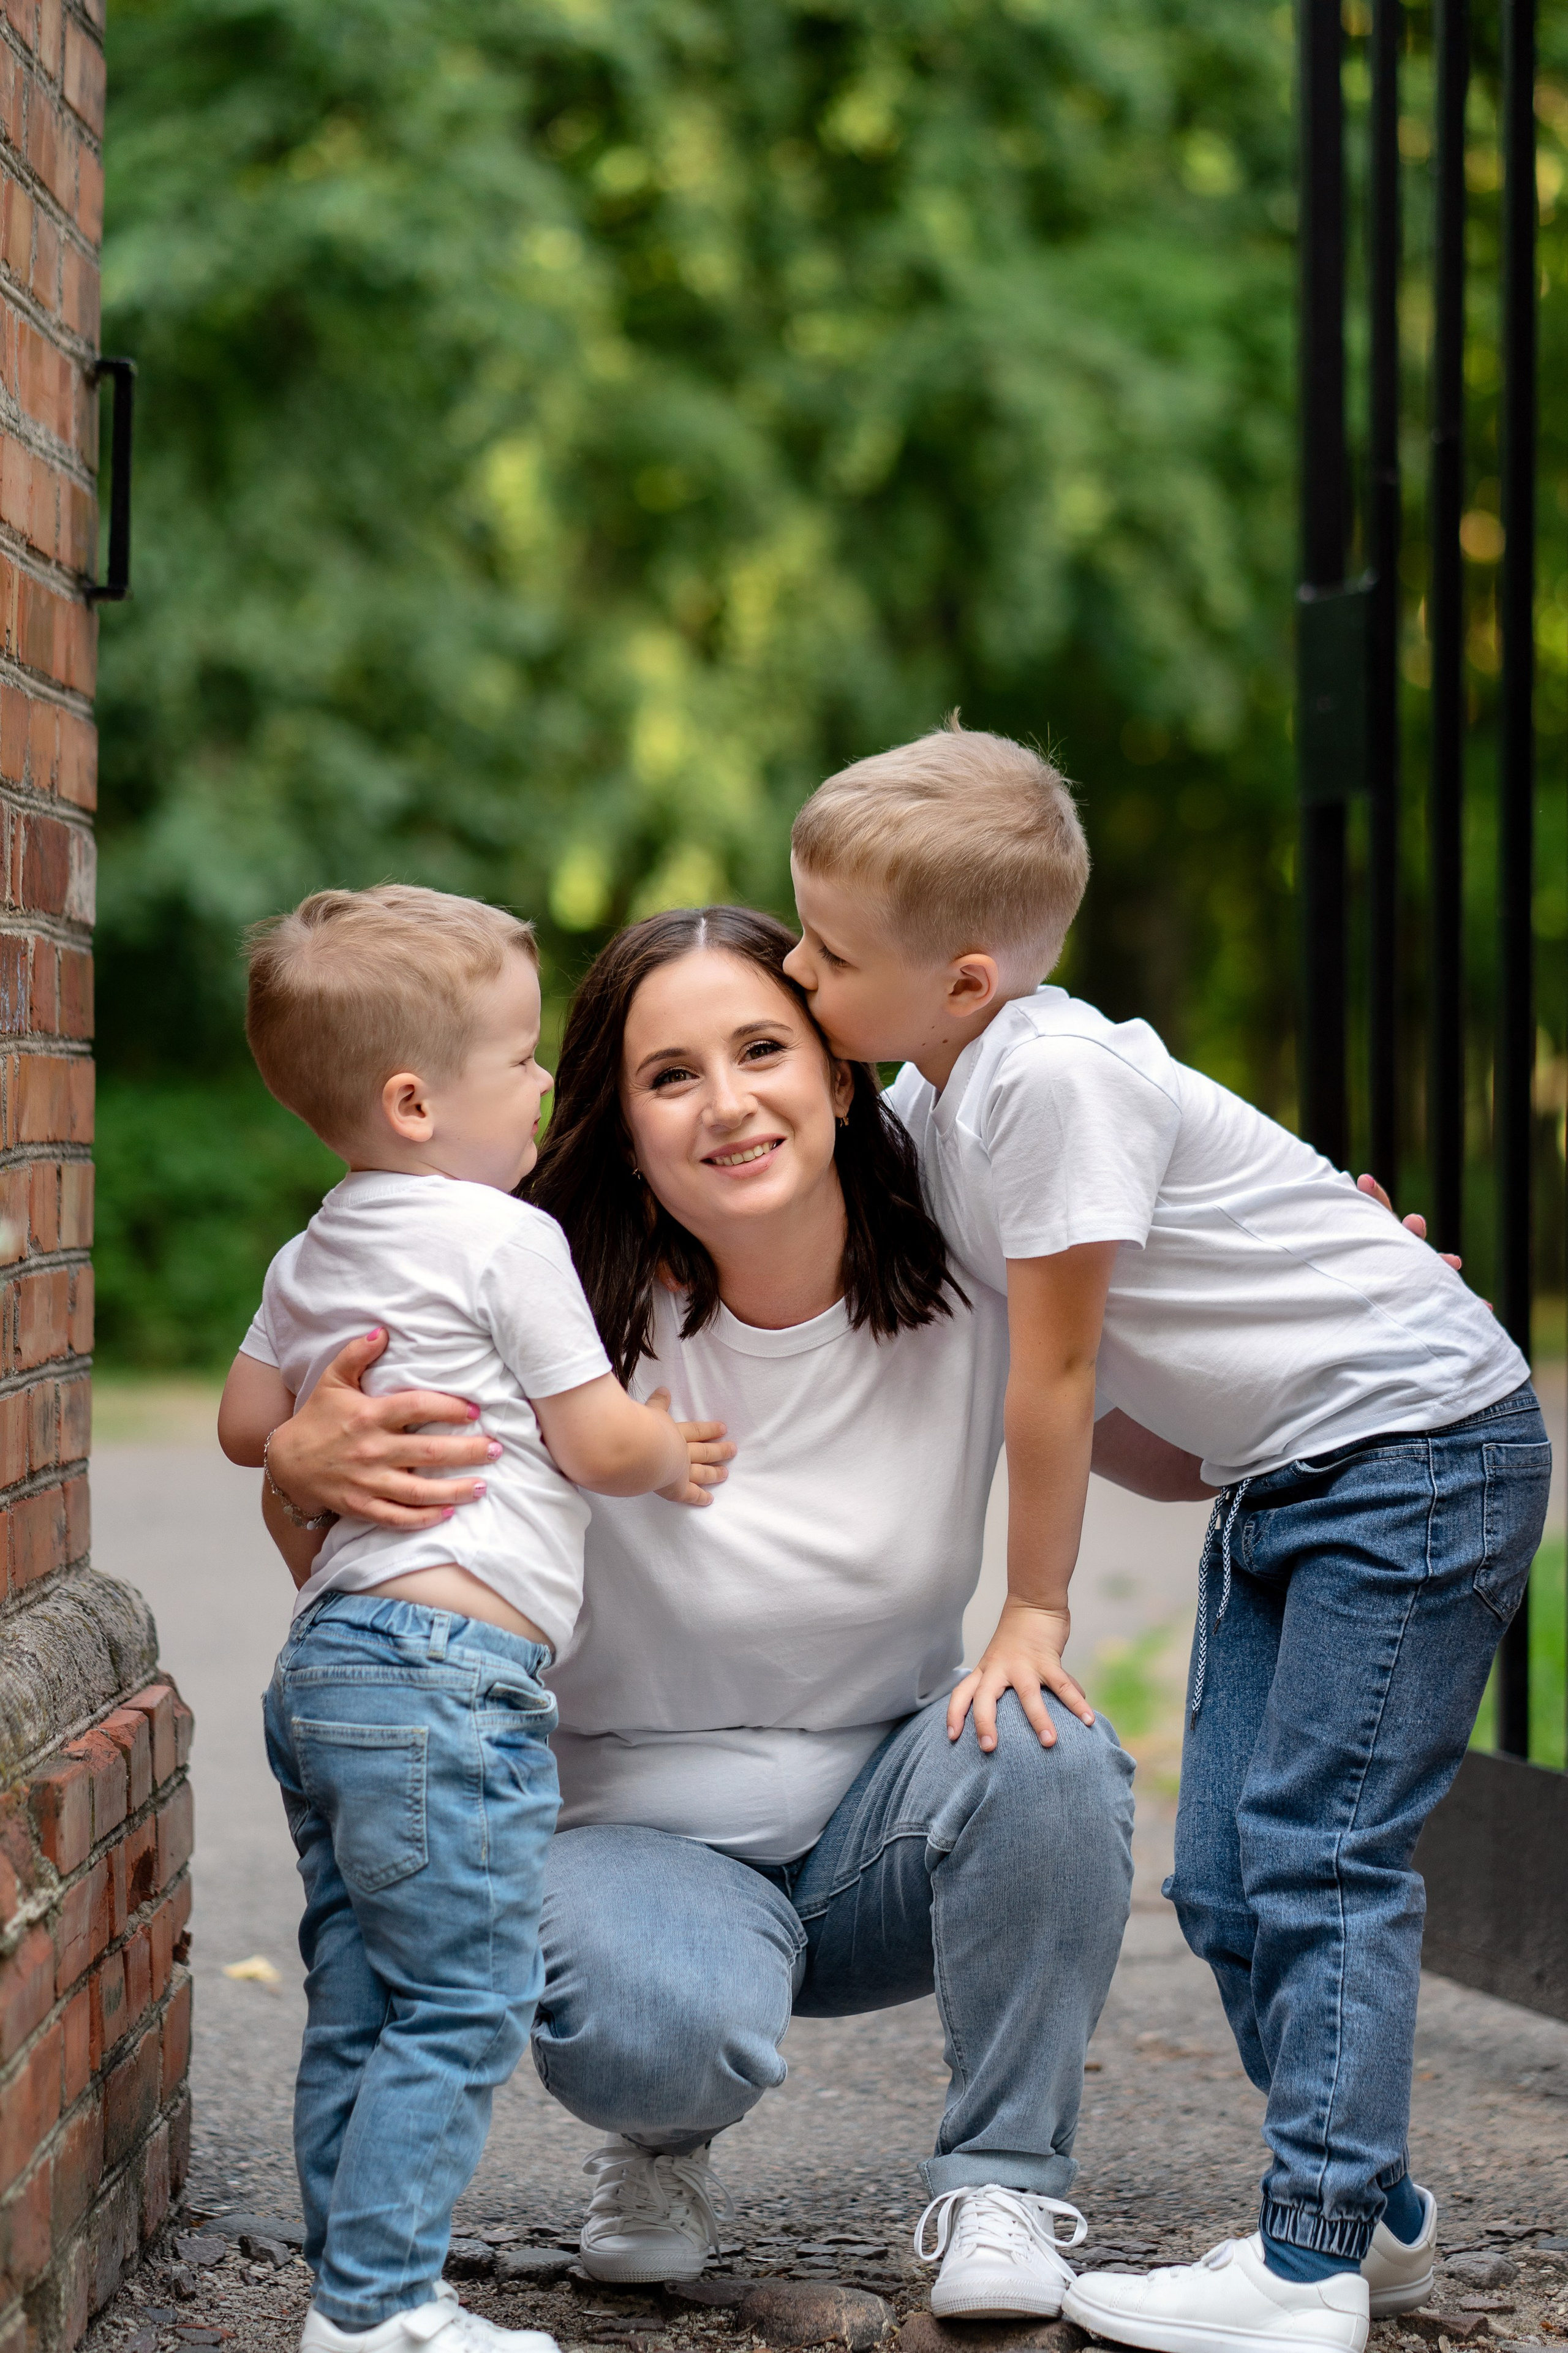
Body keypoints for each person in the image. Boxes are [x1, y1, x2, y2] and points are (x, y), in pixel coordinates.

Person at [258, 904, 1192, 2327]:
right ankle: (657, 2147)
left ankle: (1000, 2182)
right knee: (659, 2026)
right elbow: (342, 1516)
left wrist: (1342, 1317)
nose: (728, 1101)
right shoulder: (528, 1285)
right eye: (669, 1073)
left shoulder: (971, 1270)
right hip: (625, 1839)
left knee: (1049, 1750)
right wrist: (293, 1458)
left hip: (878, 1818)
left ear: (838, 1071)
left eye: (762, 1047)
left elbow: (1168, 1441)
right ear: (616, 1116)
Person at [783, 720, 1552, 2353]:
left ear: (968, 977)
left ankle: (1307, 2267)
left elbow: (1055, 1381)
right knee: (1226, 1879)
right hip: (1295, 1466)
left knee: (1318, 1857)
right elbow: (1129, 1421)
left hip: (1411, 1450)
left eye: (828, 952)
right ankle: (1378, 2217)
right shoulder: (944, 1110)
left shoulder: (1046, 1082)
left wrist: (1034, 1609)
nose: (798, 969)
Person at [217, 886, 734, 2353]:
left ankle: (353, 2285)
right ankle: (379, 2311)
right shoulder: (502, 1241)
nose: (544, 1085)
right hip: (450, 1683)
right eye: (519, 1057)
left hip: (325, 1668)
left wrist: (322, 1427)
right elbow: (591, 1436)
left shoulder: (310, 1249)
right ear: (414, 1099)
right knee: (464, 1998)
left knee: (364, 1998)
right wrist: (671, 1449)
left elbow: (246, 1419)